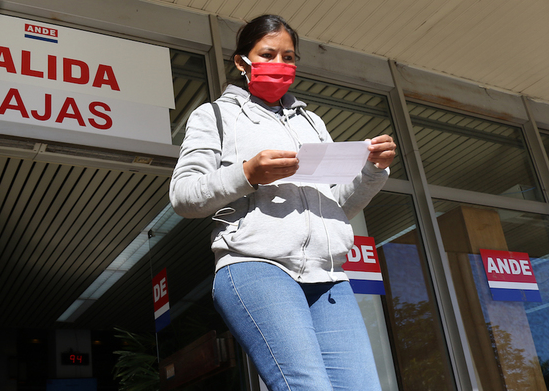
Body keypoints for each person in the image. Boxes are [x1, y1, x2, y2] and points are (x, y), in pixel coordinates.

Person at [169, 14, 395, 391]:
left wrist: (372, 170)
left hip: (328, 277)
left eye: (288, 57)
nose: (279, 65)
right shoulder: (215, 116)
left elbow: (337, 207)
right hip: (257, 268)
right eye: (268, 54)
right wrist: (247, 174)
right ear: (242, 62)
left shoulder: (312, 122)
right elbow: (183, 196)